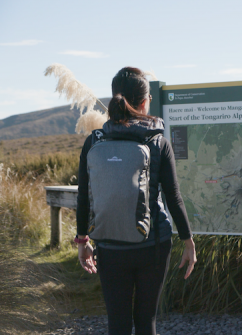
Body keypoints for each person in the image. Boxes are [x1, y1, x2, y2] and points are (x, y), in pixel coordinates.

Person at [75, 67, 197, 335]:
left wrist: (83, 241)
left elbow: (83, 196)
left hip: (109, 246)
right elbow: (173, 196)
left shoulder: (93, 141)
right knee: (146, 321)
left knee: (117, 323)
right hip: (153, 245)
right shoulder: (158, 142)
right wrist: (188, 241)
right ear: (143, 103)